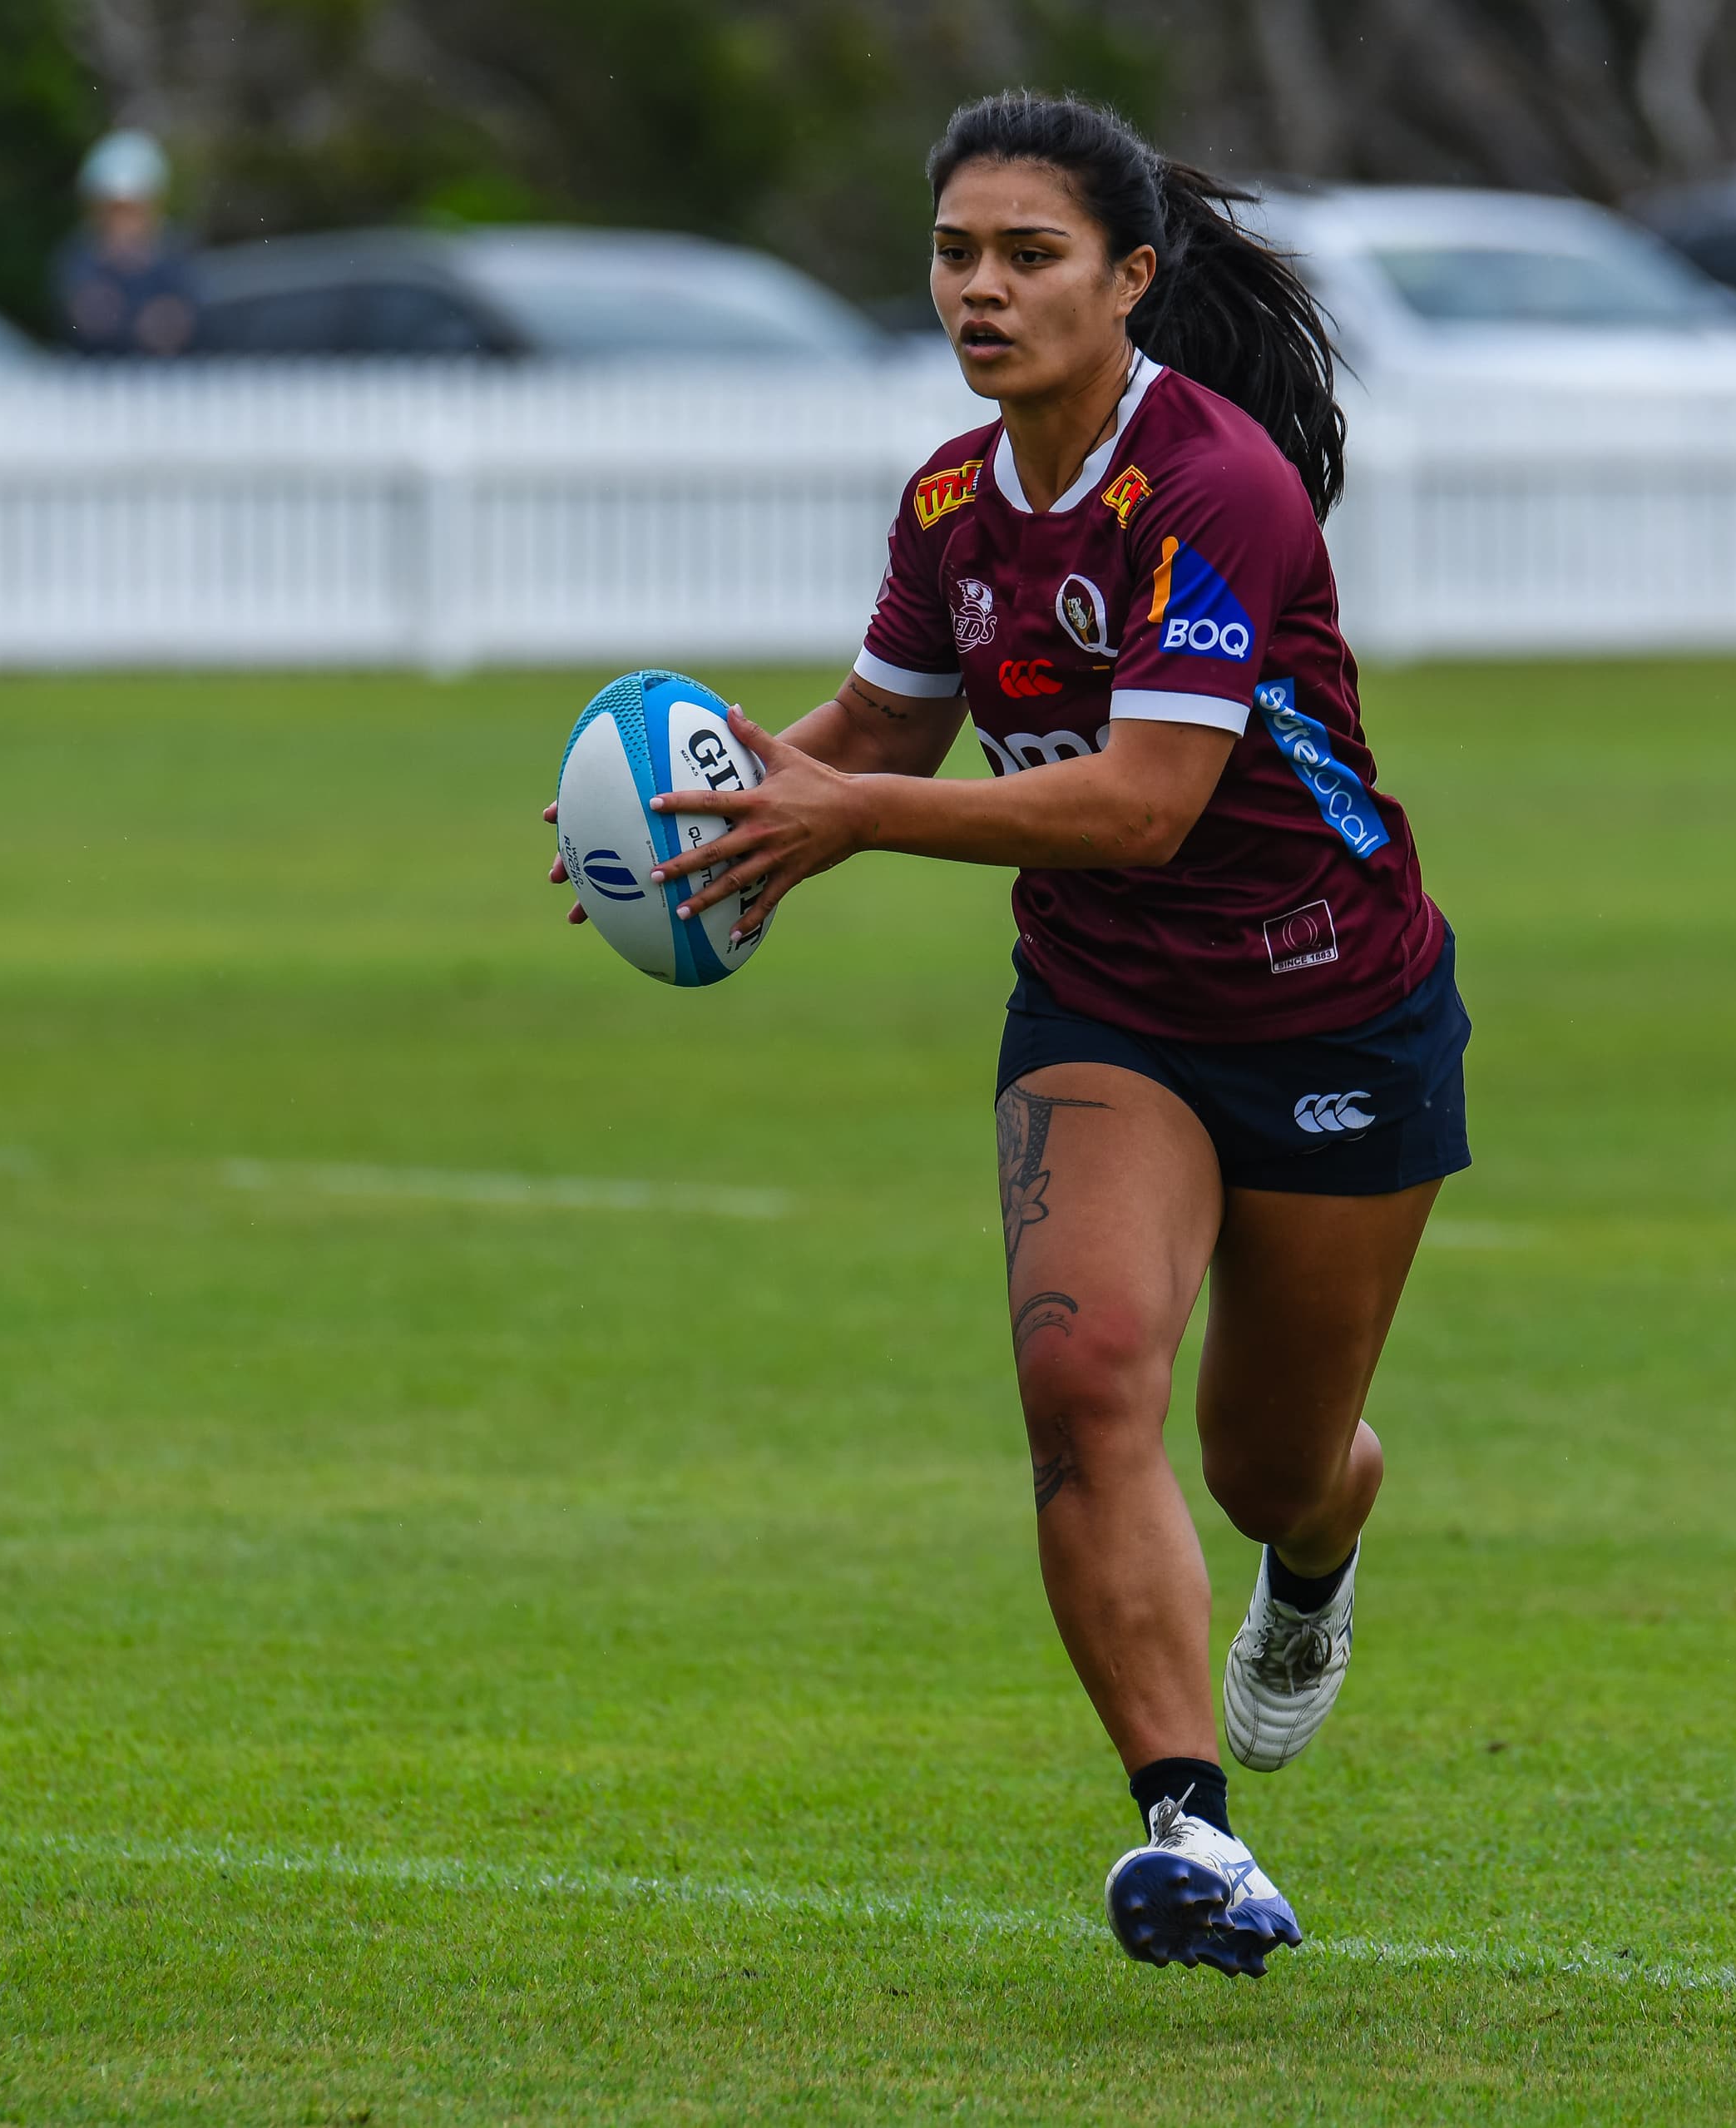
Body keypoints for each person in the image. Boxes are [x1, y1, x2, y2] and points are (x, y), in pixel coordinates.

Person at [543, 92, 1466, 1979]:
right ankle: (1186, 1829)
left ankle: (1314, 1557)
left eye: (1026, 254)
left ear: (1127, 280)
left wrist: (847, 822)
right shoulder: (954, 502)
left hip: (1332, 999)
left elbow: (1141, 800)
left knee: (1266, 1462)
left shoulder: (1211, 489)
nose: (980, 287)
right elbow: (878, 735)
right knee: (1081, 1378)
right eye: (956, 252)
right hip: (1107, 1006)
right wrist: (703, 827)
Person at [52, 129, 200, 358]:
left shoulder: (176, 256)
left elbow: (180, 326)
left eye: (131, 211)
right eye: (113, 211)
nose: (122, 222)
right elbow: (86, 321)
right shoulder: (80, 258)